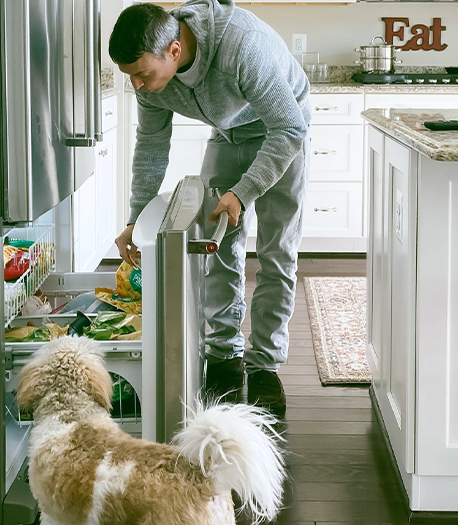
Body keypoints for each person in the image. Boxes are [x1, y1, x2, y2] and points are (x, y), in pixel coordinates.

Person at [109, 0, 310, 419]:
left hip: (283, 132)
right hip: (228, 133)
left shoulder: (241, 47)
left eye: (143, 74)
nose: (139, 86)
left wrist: (244, 191)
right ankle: (222, 356)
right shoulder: (148, 83)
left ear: (175, 51)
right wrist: (135, 218)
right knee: (215, 247)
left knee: (275, 254)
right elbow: (150, 149)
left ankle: (265, 367)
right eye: (131, 78)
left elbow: (289, 127)